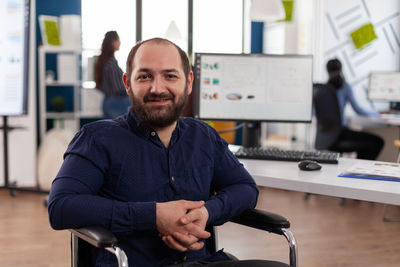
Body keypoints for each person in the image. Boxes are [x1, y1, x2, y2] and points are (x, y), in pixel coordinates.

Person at [48, 38, 275, 267]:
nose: (157, 88)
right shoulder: (97, 139)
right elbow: (61, 206)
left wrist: (207, 212)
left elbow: (245, 188)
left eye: (170, 76)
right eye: (145, 76)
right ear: (128, 83)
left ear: (188, 83)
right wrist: (154, 216)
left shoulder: (203, 136)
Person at [324, 58, 384, 160]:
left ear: (327, 70)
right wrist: (377, 112)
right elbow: (358, 110)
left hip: (325, 136)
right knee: (378, 142)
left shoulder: (322, 89)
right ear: (341, 69)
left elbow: (315, 113)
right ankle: (360, 170)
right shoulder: (345, 87)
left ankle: (358, 169)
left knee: (365, 145)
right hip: (340, 133)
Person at [94, 31, 130, 118]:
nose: (120, 43)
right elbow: (117, 88)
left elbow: (99, 86)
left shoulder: (102, 61)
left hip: (107, 102)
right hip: (117, 103)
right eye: (118, 40)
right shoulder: (111, 62)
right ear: (113, 42)